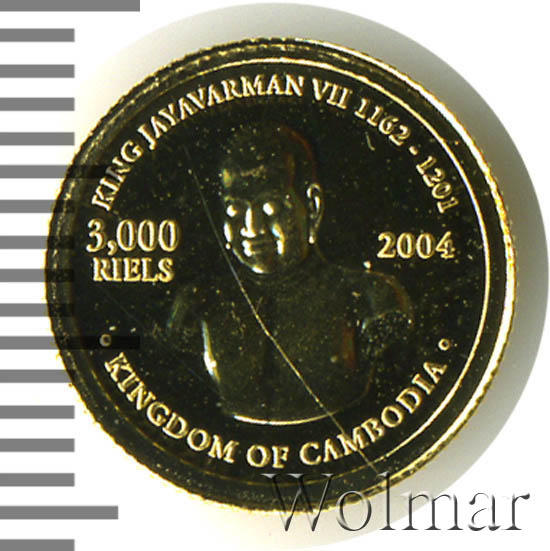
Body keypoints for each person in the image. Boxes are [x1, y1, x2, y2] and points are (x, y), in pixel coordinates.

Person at [167, 122, 412, 424]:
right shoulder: (199, 303)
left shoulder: (372, 299)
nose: (251, 228)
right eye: (235, 210)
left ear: (312, 206)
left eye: (270, 207)